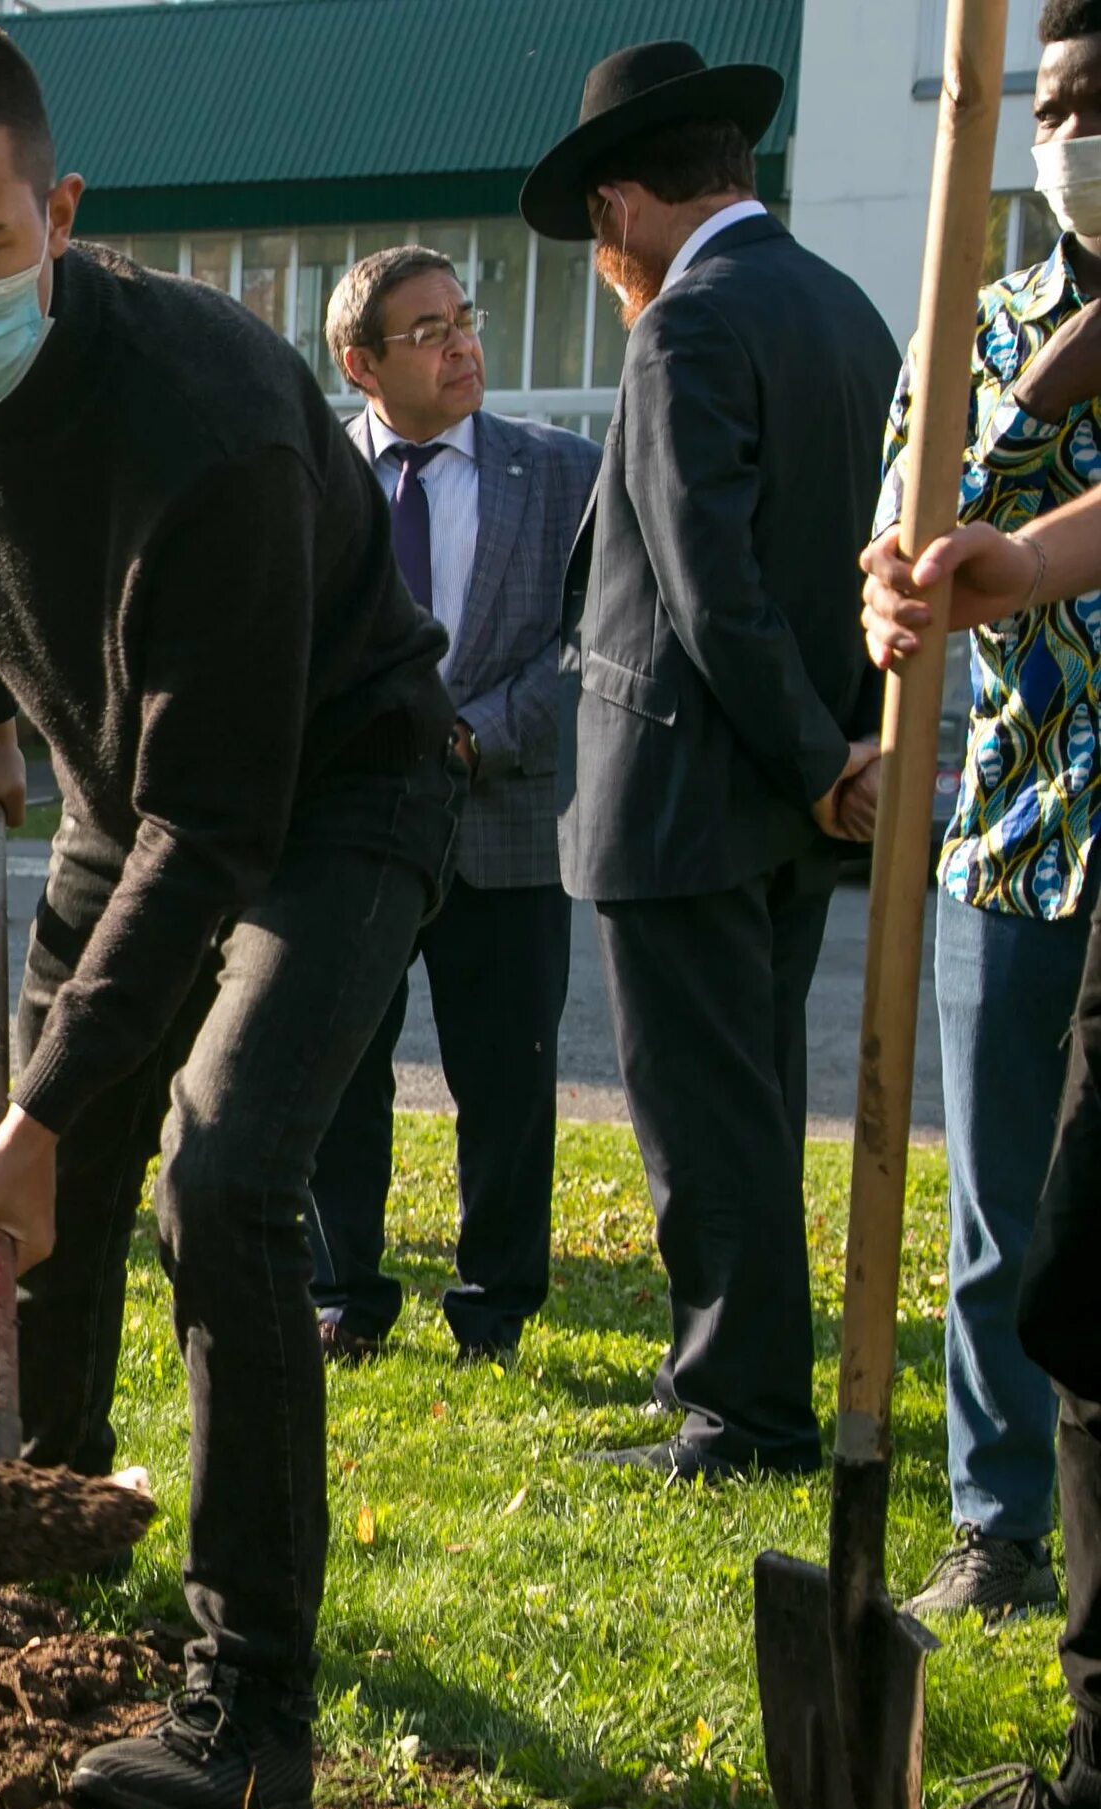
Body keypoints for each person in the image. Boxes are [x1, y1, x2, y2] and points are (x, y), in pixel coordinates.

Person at [0, 21, 457, 1809]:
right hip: (122, 788)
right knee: (68, 1181)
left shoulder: (220, 426)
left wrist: (33, 1114)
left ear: (62, 212)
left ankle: (250, 1693)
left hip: (335, 794)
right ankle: (54, 1522)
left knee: (222, 1174)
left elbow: (221, 829)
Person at [521, 41, 901, 1482]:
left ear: (621, 211)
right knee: (749, 1107)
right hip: (795, 793)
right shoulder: (850, 313)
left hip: (689, 792)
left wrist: (816, 759)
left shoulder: (685, 328)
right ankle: (743, 1389)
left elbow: (707, 585)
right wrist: (841, 757)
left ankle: (743, 1416)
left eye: (596, 233)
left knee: (706, 1122)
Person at [858, 3, 1101, 1623]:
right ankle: (996, 1525)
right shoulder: (984, 321)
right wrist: (891, 590)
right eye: (1068, 104)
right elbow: (919, 529)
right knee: (1003, 1208)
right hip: (1017, 830)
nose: (1087, 135)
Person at [857, 467, 1101, 1809]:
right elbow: (918, 542)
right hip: (1041, 830)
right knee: (1073, 1288)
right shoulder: (1022, 326)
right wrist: (1002, 563)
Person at [306, 246, 600, 1369]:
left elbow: (591, 642)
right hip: (352, 831)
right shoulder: (310, 478)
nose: (461, 343)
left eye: (462, 319)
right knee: (337, 1069)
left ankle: (495, 1308)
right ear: (361, 363)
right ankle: (344, 1292)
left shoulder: (565, 472)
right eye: (426, 330)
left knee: (510, 1082)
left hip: (509, 824)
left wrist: (481, 732)